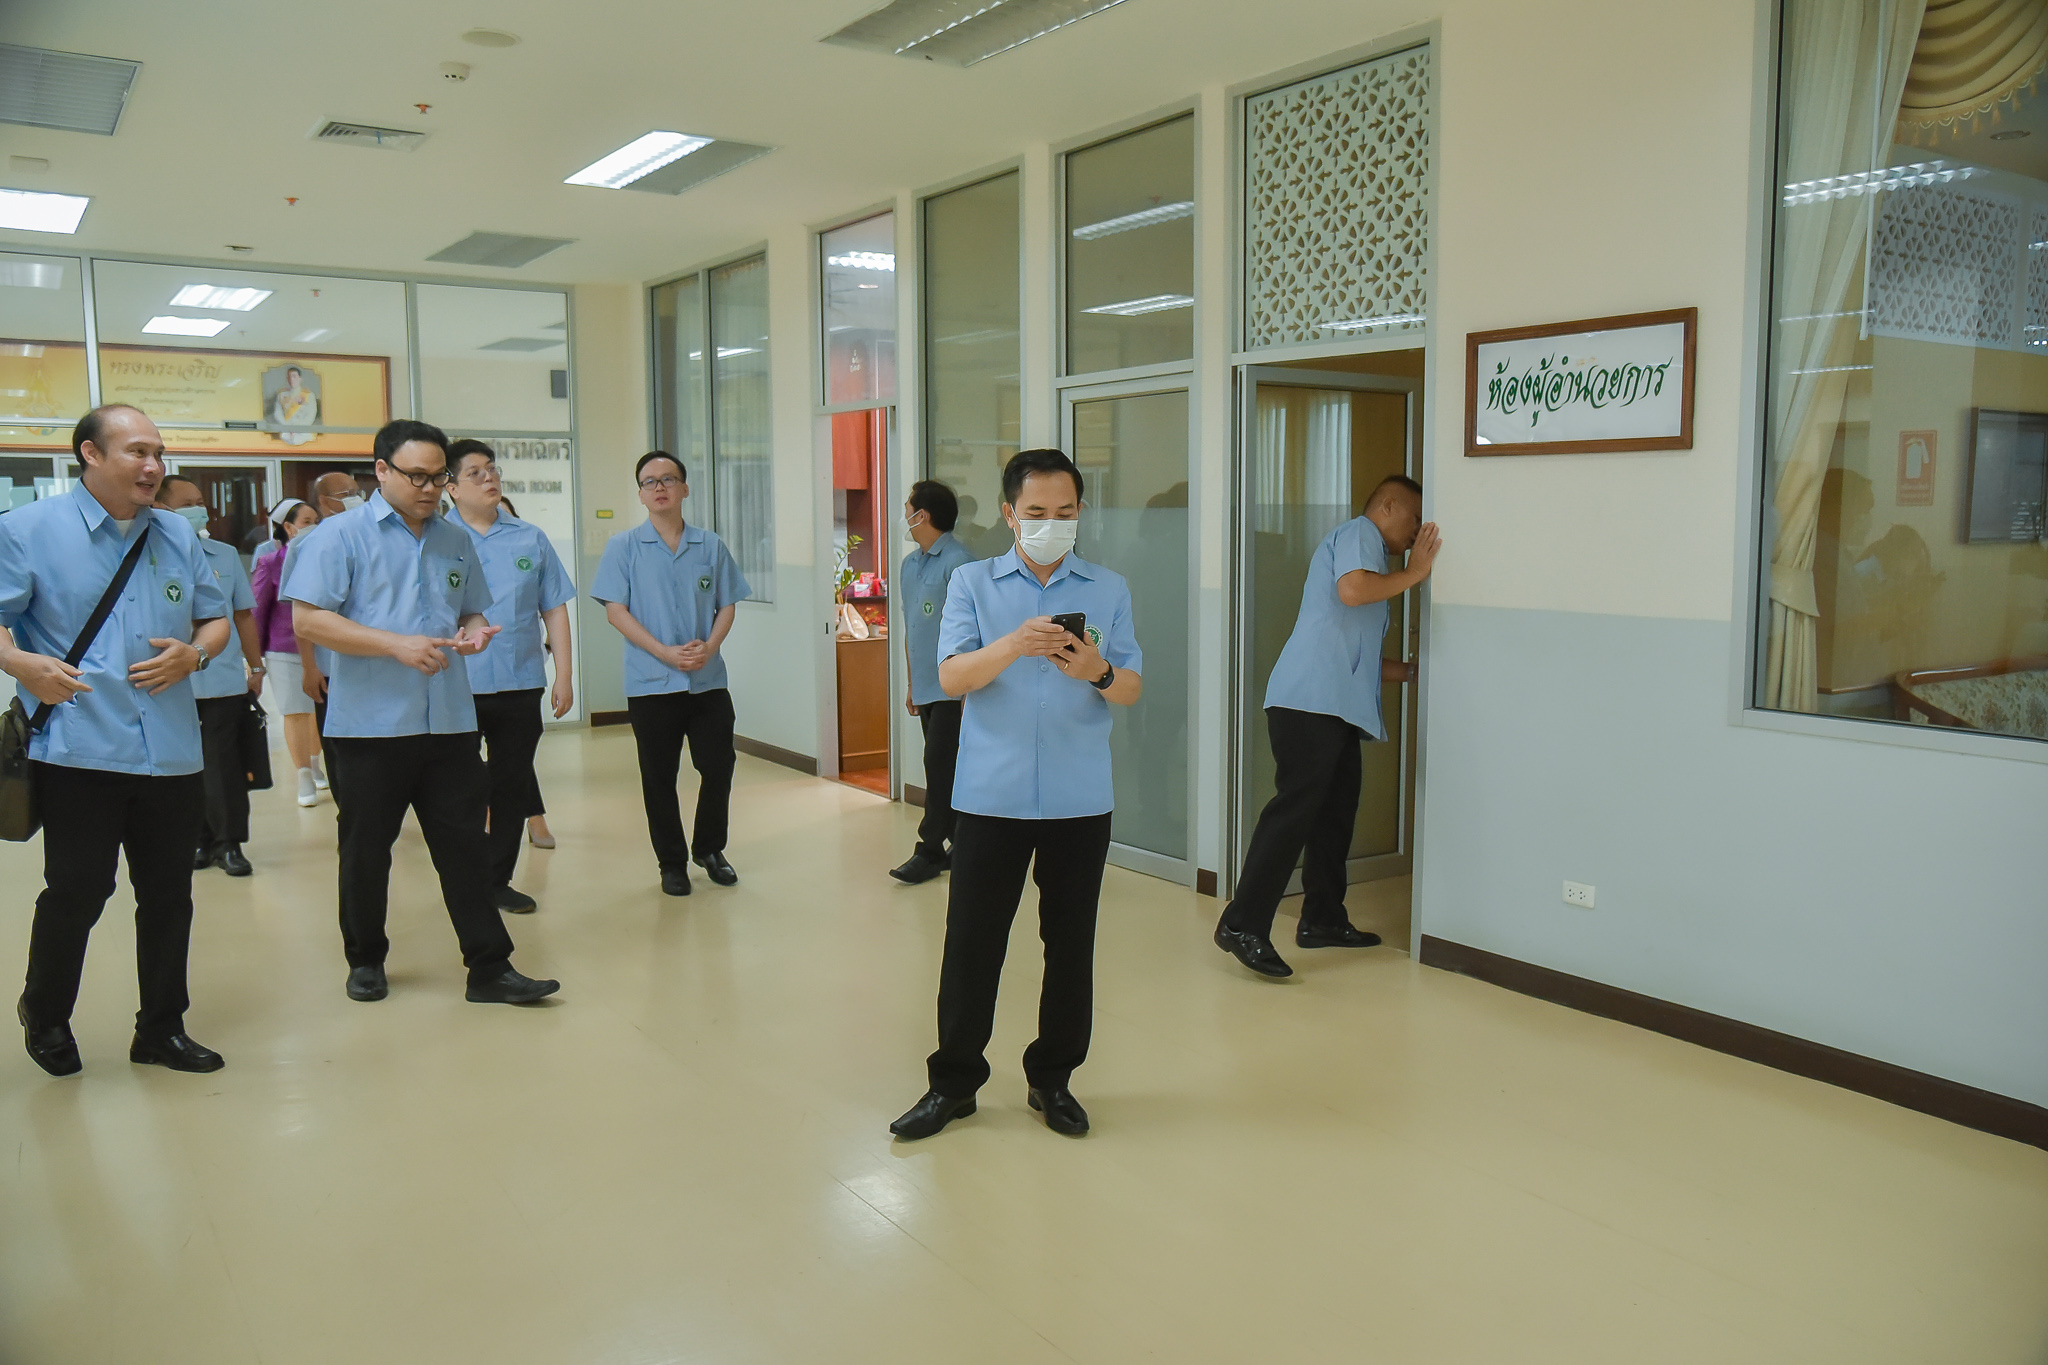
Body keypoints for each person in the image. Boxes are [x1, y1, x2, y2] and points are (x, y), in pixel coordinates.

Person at [890, 449, 1143, 1142]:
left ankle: (1052, 1078)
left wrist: (1096, 670)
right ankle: (953, 1084)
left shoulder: (1109, 588)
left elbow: (1130, 687)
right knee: (972, 943)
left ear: (1080, 512)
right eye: (1036, 512)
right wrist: (1012, 645)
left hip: (1078, 800)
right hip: (989, 797)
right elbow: (951, 676)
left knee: (1070, 945)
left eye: (1064, 512)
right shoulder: (971, 582)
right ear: (1009, 513)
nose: (1050, 523)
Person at [283, 420, 559, 1006]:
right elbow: (308, 619)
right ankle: (366, 960)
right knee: (366, 851)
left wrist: (476, 632)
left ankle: (490, 967)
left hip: (450, 722)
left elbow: (471, 610)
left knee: (465, 848)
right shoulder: (339, 537)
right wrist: (395, 645)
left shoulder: (454, 539)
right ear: (381, 471)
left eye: (438, 478)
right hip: (371, 726)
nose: (430, 489)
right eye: (417, 477)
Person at [0, 405, 231, 1076]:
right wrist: (20, 663)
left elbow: (214, 619)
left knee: (169, 896)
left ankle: (161, 1028)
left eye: (158, 452)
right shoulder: (28, 530)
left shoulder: (177, 533)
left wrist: (195, 653)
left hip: (172, 750)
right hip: (80, 747)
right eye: (136, 452)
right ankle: (45, 1012)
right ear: (90, 455)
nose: (152, 466)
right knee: (79, 890)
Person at [1214, 475, 1441, 979]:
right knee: (1294, 812)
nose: (1417, 531)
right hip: (1308, 703)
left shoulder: (1374, 559)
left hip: (1332, 708)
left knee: (1334, 814)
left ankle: (1323, 917)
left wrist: (1409, 672)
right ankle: (1241, 923)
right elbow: (1353, 592)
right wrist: (1416, 572)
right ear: (1388, 506)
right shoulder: (1361, 533)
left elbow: (1352, 648)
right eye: (1414, 518)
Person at [591, 452, 749, 897]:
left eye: (668, 479)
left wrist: (710, 647)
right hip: (651, 683)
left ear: (684, 488)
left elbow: (727, 604)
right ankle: (671, 862)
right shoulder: (624, 547)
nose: (659, 487)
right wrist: (663, 652)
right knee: (659, 777)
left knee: (718, 765)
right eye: (649, 481)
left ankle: (710, 848)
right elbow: (616, 611)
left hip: (707, 681)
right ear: (641, 494)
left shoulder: (710, 546)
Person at [445, 440, 575, 914]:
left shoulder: (529, 538)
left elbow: (553, 609)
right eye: (475, 473)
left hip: (521, 682)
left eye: (492, 469)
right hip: (455, 685)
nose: (490, 479)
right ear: (451, 487)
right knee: (459, 790)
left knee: (511, 786)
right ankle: (465, 881)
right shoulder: (437, 538)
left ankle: (498, 880)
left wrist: (564, 675)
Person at [155, 475, 265, 875]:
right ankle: (199, 840)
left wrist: (256, 666)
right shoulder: (147, 556)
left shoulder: (224, 554)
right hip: (168, 682)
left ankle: (229, 843)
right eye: (188, 503)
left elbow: (242, 616)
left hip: (220, 680)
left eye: (200, 502)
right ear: (161, 508)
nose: (199, 509)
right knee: (184, 767)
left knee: (224, 767)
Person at [890, 479, 976, 885]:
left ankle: (929, 850)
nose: (905, 515)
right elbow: (913, 628)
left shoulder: (959, 563)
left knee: (939, 767)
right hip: (926, 687)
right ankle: (962, 845)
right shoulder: (910, 564)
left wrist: (968, 691)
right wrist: (912, 684)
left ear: (921, 515)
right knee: (944, 768)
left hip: (954, 689)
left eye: (908, 508)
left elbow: (975, 634)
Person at [288, 471, 363, 790]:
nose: (355, 499)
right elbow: (301, 615)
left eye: (357, 492)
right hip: (328, 666)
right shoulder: (304, 544)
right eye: (346, 494)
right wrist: (309, 666)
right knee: (337, 749)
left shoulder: (371, 537)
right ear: (324, 501)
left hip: (372, 662)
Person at [251, 498, 323, 804]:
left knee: (317, 713)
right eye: (307, 522)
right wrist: (254, 659)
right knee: (295, 712)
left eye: (317, 521)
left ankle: (316, 763)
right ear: (289, 528)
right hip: (284, 649)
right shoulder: (270, 562)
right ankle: (303, 775)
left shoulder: (327, 558)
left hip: (324, 649)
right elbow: (257, 612)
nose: (314, 527)